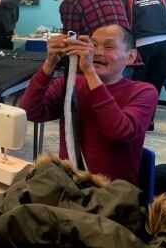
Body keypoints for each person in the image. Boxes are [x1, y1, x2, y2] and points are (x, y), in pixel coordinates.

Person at [18, 24, 158, 184]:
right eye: (94, 45)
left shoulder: (143, 92)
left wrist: (89, 71)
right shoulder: (70, 84)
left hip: (112, 194)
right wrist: (50, 63)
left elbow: (119, 131)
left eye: (109, 46)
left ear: (130, 56)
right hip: (70, 185)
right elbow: (30, 111)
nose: (98, 52)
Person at [112, 0, 166, 93]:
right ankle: (150, 110)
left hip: (143, 41)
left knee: (139, 83)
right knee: (156, 82)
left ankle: (137, 111)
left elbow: (120, 23)